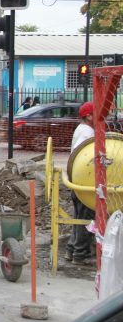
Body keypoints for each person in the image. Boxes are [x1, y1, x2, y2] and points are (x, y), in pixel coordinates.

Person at [66, 101, 96, 265]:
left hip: (78, 180)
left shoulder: (83, 130)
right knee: (86, 218)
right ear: (88, 116)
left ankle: (72, 250)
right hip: (84, 181)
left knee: (79, 217)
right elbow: (84, 157)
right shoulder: (87, 133)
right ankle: (81, 254)